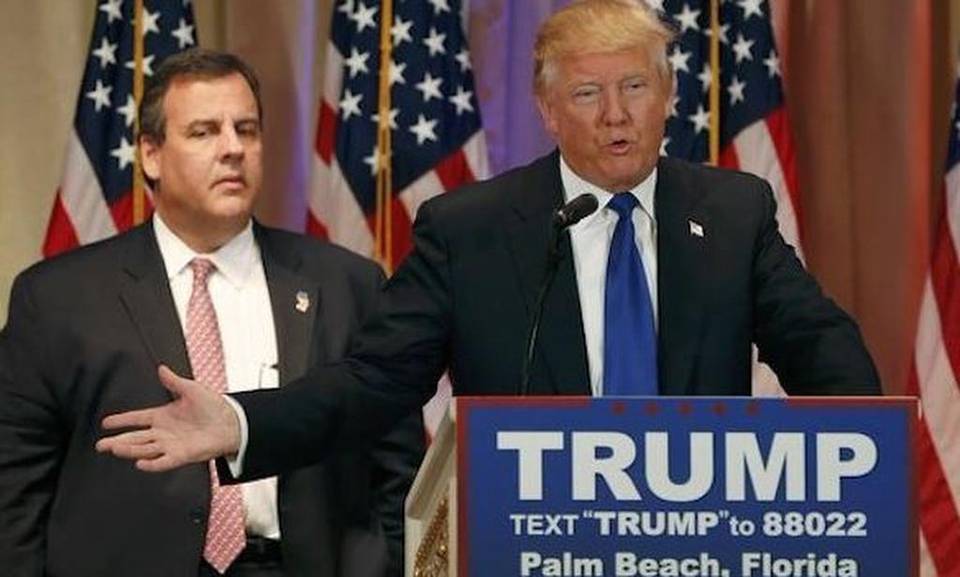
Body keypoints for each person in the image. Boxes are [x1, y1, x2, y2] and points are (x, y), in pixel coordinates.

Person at [96, 0, 880, 482]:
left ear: (668, 95)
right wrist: (242, 422)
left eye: (635, 87)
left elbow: (818, 343)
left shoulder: (733, 212)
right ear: (548, 109)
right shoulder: (469, 231)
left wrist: (870, 446)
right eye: (588, 92)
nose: (616, 114)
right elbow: (375, 381)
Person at [0, 49, 423, 577]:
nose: (233, 149)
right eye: (204, 132)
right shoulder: (57, 297)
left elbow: (399, 471)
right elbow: (15, 489)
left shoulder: (348, 284)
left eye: (246, 130)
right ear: (151, 155)